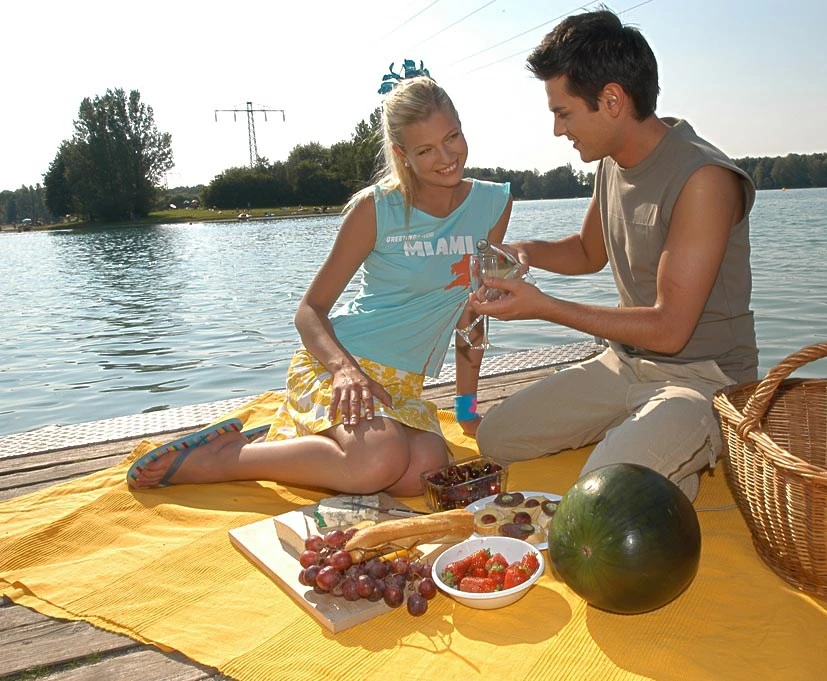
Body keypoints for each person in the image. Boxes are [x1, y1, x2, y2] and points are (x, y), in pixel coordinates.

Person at [128, 76, 512, 497]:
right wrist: (345, 371)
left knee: (421, 473)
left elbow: (474, 314)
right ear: (402, 154)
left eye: (452, 136)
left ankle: (304, 438)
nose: (446, 157)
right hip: (342, 364)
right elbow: (309, 310)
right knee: (377, 461)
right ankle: (226, 457)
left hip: (402, 387)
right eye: (425, 149)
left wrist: (467, 410)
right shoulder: (377, 208)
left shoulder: (492, 204)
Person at [472, 9, 757, 502]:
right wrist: (522, 252)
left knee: (601, 494)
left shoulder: (704, 180)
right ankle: (649, 450)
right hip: (626, 365)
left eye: (563, 112)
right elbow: (587, 252)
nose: (558, 130)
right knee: (495, 438)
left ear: (611, 100)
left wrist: (543, 307)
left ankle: (678, 450)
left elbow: (670, 329)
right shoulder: (611, 162)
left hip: (705, 380)